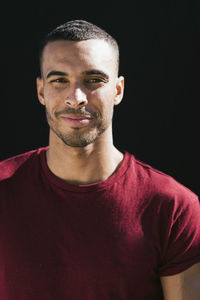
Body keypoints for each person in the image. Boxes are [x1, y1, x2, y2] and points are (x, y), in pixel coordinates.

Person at [0, 19, 200, 300]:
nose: (76, 97)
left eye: (94, 80)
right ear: (41, 90)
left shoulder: (173, 208)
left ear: (118, 90)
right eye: (59, 80)